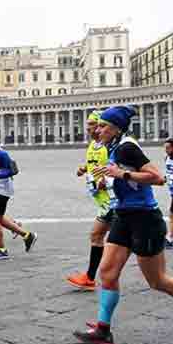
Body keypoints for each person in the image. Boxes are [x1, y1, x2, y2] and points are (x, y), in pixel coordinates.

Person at [73, 106, 173, 344]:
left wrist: (122, 175)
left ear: (116, 128)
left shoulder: (127, 146)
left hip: (145, 219)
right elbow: (120, 175)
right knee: (107, 272)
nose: (97, 129)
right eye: (97, 125)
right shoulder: (112, 146)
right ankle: (103, 330)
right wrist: (106, 179)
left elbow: (157, 178)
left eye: (103, 125)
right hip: (123, 216)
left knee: (157, 281)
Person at [66, 111, 113, 291]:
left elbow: (118, 167)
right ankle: (90, 278)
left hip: (113, 201)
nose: (88, 128)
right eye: (88, 124)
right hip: (103, 200)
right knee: (97, 236)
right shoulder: (93, 144)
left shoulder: (110, 146)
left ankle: (92, 277)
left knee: (101, 236)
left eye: (92, 124)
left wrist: (106, 180)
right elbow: (95, 163)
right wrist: (84, 168)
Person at [0, 132, 36, 261]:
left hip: (2, 191)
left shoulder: (1, 154)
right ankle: (27, 235)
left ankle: (2, 250)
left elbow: (12, 170)